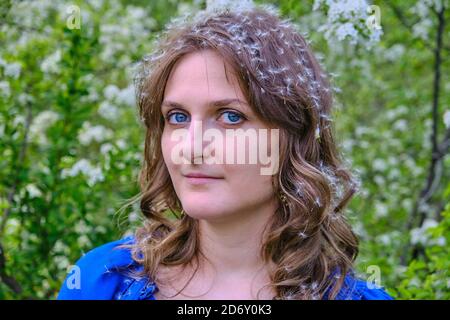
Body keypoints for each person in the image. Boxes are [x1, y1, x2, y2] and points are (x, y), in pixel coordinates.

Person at [58, 3, 394, 300]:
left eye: (231, 117)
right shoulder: (101, 282)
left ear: (294, 135)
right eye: (177, 117)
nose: (192, 147)